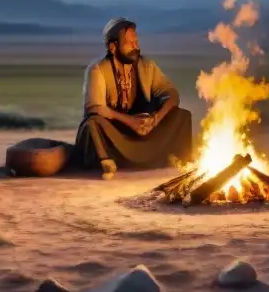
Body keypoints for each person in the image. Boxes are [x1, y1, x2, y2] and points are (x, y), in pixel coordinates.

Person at [75, 18, 194, 180]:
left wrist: (155, 119)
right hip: (114, 133)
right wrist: (130, 122)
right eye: (130, 43)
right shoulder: (98, 69)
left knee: (182, 116)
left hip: (145, 130)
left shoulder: (146, 65)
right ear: (113, 47)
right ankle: (106, 160)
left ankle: (179, 159)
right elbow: (95, 107)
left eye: (136, 42)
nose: (136, 47)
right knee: (92, 123)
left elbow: (172, 94)